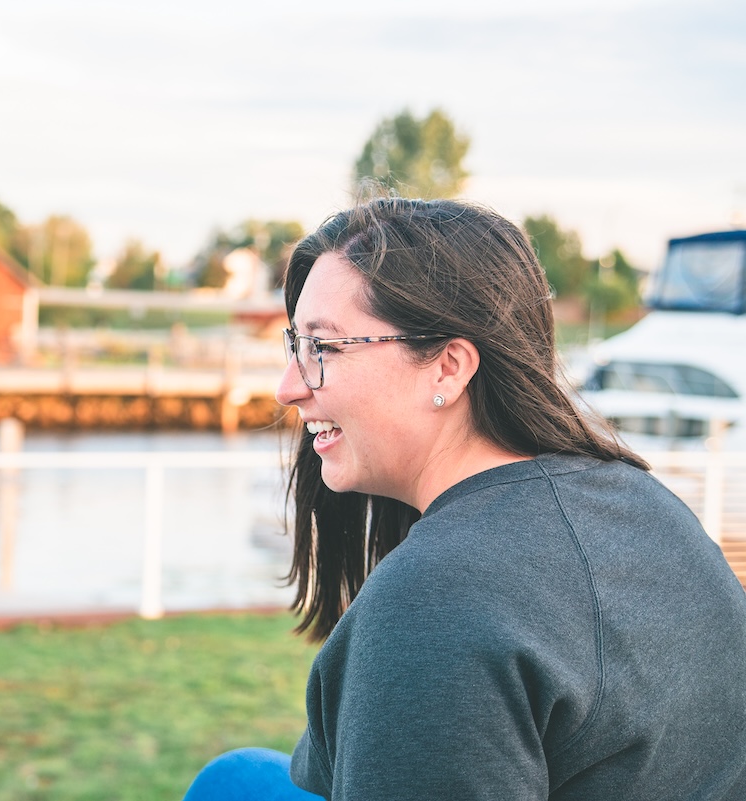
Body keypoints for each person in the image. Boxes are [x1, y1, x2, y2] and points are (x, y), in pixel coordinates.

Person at [183, 196, 746, 800]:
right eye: (296, 345)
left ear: (448, 369)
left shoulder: (431, 609)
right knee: (238, 779)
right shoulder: (644, 500)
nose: (288, 387)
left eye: (325, 348)